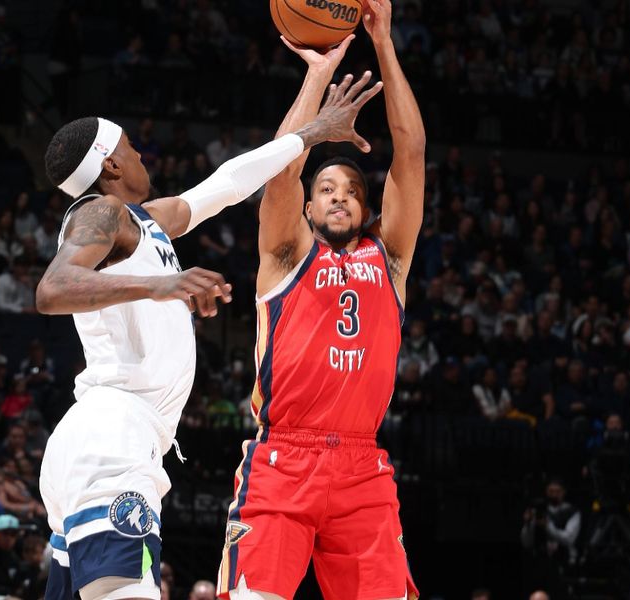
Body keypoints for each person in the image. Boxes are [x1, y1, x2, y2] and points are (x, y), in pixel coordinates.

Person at [35, 68, 381, 600]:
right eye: (132, 147)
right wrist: (162, 286)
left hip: (105, 440)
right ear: (111, 164)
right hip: (113, 436)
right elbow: (52, 289)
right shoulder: (101, 213)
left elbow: (227, 184)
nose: (142, 155)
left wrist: (312, 125)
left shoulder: (141, 222)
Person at [216, 2, 424, 598]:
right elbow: (280, 171)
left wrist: (382, 41)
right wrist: (318, 73)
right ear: (308, 209)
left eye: (352, 190)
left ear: (367, 207)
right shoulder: (286, 255)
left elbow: (411, 153)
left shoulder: (390, 259)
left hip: (363, 469)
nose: (338, 197)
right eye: (326, 189)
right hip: (283, 460)